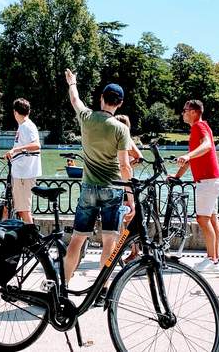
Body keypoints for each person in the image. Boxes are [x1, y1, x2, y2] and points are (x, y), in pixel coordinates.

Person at [64, 69, 135, 305]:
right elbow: (125, 166)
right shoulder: (121, 129)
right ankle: (102, 289)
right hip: (112, 188)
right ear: (120, 103)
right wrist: (131, 197)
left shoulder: (87, 117)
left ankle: (63, 287)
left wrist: (72, 82)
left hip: (88, 188)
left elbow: (75, 100)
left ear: (101, 98)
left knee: (77, 239)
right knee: (109, 243)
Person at [173, 100, 219, 273]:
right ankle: (216, 260)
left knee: (202, 220)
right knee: (212, 220)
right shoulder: (202, 127)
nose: (183, 113)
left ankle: (211, 260)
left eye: (185, 110)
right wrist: (177, 176)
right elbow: (193, 159)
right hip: (212, 180)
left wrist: (187, 155)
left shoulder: (199, 127)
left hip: (207, 182)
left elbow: (207, 145)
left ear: (194, 112)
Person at [4, 98, 41, 224]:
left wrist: (16, 150)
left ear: (15, 112)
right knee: (18, 209)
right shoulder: (23, 126)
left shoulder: (27, 126)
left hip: (24, 175)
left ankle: (32, 239)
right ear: (28, 111)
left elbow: (36, 145)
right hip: (20, 173)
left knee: (24, 210)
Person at [114, 114, 145, 264]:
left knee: (127, 221)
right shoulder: (123, 138)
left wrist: (126, 166)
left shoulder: (123, 138)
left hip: (124, 183)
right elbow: (138, 157)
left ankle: (133, 252)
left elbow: (139, 157)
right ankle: (132, 251)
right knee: (126, 221)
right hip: (123, 182)